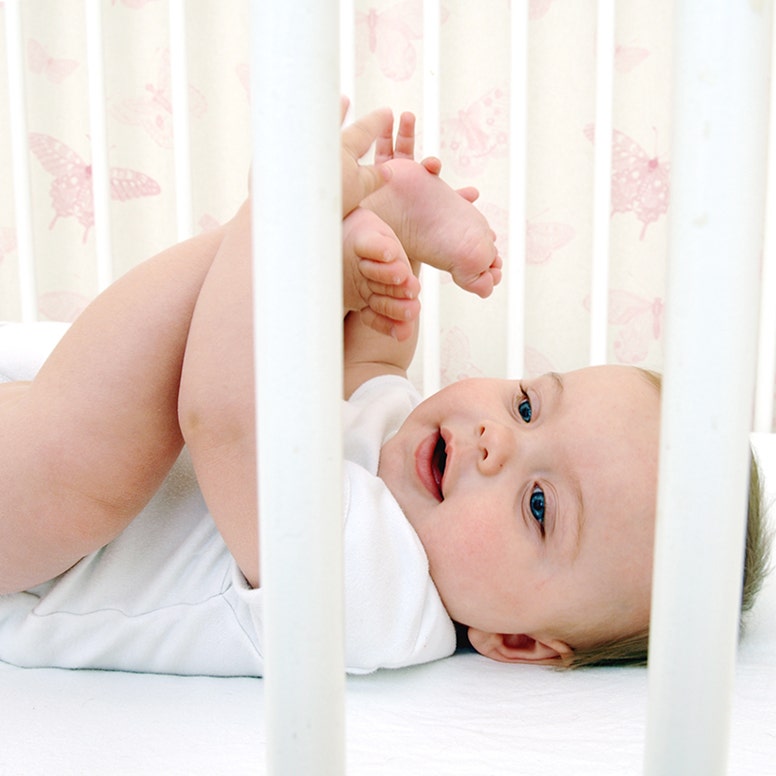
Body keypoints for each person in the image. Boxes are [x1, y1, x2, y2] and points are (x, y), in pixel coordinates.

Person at [0, 106, 767, 675]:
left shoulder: (385, 601)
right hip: (29, 454)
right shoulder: (410, 470)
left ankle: (287, 218)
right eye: (528, 405)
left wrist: (293, 233)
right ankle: (317, 224)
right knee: (103, 439)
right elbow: (363, 377)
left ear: (520, 641)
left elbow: (225, 415)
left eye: (539, 505)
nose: (499, 440)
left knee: (87, 472)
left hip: (29, 567)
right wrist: (385, 292)